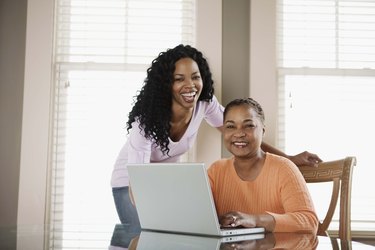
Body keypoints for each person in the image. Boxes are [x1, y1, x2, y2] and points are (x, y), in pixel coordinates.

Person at [111, 44, 322, 226]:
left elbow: (242, 135)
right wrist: (158, 215)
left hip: (165, 184)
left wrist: (289, 159)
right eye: (179, 79)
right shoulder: (145, 123)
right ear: (167, 85)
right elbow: (137, 184)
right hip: (129, 184)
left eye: (195, 77)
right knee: (142, 238)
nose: (190, 85)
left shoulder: (204, 103)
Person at [208, 97, 319, 233]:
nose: (239, 133)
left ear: (263, 131)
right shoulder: (216, 171)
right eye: (231, 126)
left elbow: (308, 222)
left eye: (249, 125)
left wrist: (254, 220)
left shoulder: (284, 168)